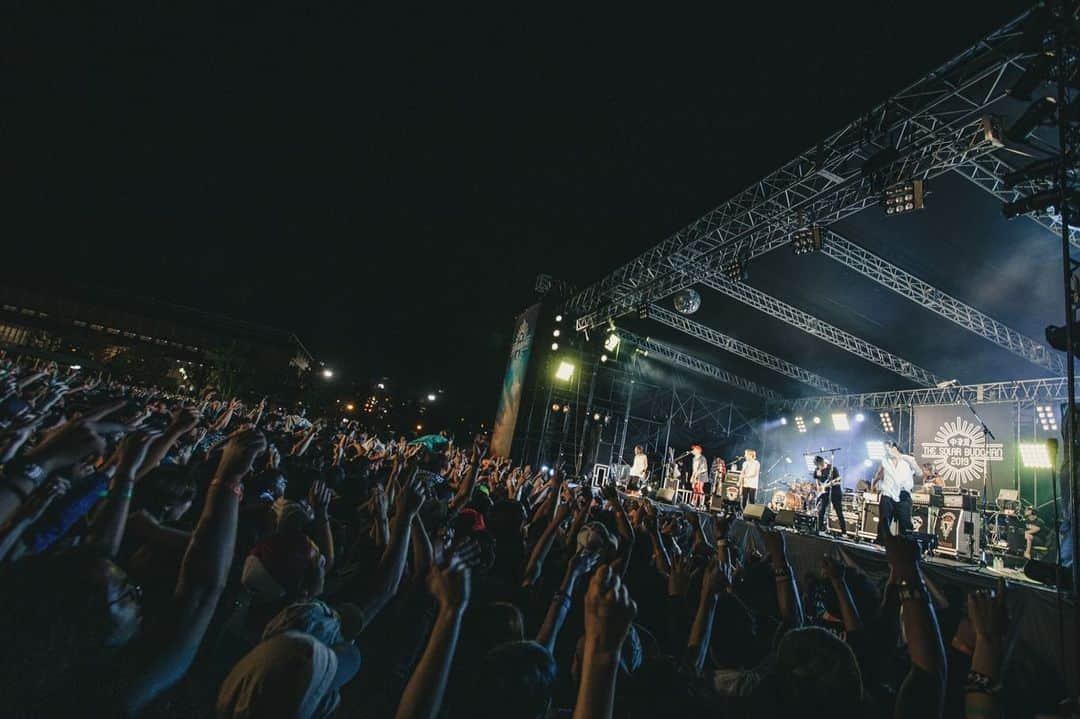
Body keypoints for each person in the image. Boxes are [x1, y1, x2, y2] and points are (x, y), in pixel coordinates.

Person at [875, 442, 918, 540]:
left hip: (903, 495)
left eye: (888, 449)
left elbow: (915, 473)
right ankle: (881, 543)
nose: (887, 451)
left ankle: (907, 547)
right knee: (884, 521)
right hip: (888, 494)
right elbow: (879, 474)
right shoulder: (885, 461)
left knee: (905, 522)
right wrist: (874, 485)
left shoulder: (906, 461)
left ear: (895, 449)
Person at [814, 455, 845, 535]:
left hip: (835, 492)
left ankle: (844, 532)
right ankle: (820, 529)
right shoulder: (817, 469)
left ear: (822, 463)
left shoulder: (832, 469)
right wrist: (819, 487)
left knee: (839, 512)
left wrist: (829, 484)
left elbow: (838, 480)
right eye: (817, 466)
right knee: (822, 510)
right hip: (825, 493)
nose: (818, 468)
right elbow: (817, 479)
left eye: (819, 466)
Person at [689, 445, 707, 509]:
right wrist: (692, 476)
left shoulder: (702, 458)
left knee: (699, 488)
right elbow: (694, 469)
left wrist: (697, 474)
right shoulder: (694, 459)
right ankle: (693, 502)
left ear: (698, 451)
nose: (693, 451)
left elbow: (704, 468)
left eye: (694, 449)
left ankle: (701, 504)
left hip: (701, 475)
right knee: (695, 488)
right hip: (696, 474)